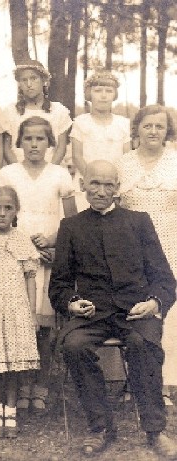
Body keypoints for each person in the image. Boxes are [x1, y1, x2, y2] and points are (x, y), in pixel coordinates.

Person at [49, 160, 177, 458]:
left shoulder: (138, 221)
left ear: (118, 189)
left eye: (109, 185)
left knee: (142, 343)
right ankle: (101, 427)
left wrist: (153, 303)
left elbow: (164, 278)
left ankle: (155, 430)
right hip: (93, 315)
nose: (101, 191)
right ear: (83, 185)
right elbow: (59, 285)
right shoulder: (71, 227)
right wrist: (72, 303)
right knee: (75, 346)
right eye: (95, 183)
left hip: (134, 312)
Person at [0, 116, 77, 413]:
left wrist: (54, 243)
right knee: (19, 326)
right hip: (15, 256)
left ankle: (39, 387)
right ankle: (17, 387)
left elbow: (71, 221)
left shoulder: (59, 175)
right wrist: (25, 246)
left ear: (50, 143)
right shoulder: (8, 173)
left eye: (40, 139)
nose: (33, 144)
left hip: (48, 258)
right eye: (28, 138)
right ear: (19, 142)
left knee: (45, 329)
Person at [116, 104, 177, 408]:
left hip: (170, 244)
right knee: (137, 312)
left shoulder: (176, 162)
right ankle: (134, 381)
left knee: (169, 314)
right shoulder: (123, 164)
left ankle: (164, 384)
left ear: (168, 131)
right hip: (132, 251)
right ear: (137, 128)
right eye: (148, 125)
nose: (153, 131)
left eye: (160, 126)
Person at [0, 186, 41, 438]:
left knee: (13, 364)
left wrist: (31, 313)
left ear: (16, 211)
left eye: (8, 208)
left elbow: (30, 278)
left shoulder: (21, 239)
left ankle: (10, 410)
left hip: (16, 308)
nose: (2, 213)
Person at [3, 60, 72, 165]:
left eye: (33, 78)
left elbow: (61, 148)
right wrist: (20, 172)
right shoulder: (10, 111)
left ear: (43, 80)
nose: (29, 84)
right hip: (19, 172)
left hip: (51, 171)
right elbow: (7, 149)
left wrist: (48, 172)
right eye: (24, 80)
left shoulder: (58, 111)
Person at [70, 70, 130, 179]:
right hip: (86, 183)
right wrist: (92, 180)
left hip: (114, 183)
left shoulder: (123, 124)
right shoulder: (81, 122)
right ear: (89, 94)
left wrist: (112, 182)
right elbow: (77, 156)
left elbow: (127, 158)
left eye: (109, 91)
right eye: (97, 91)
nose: (103, 96)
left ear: (114, 95)